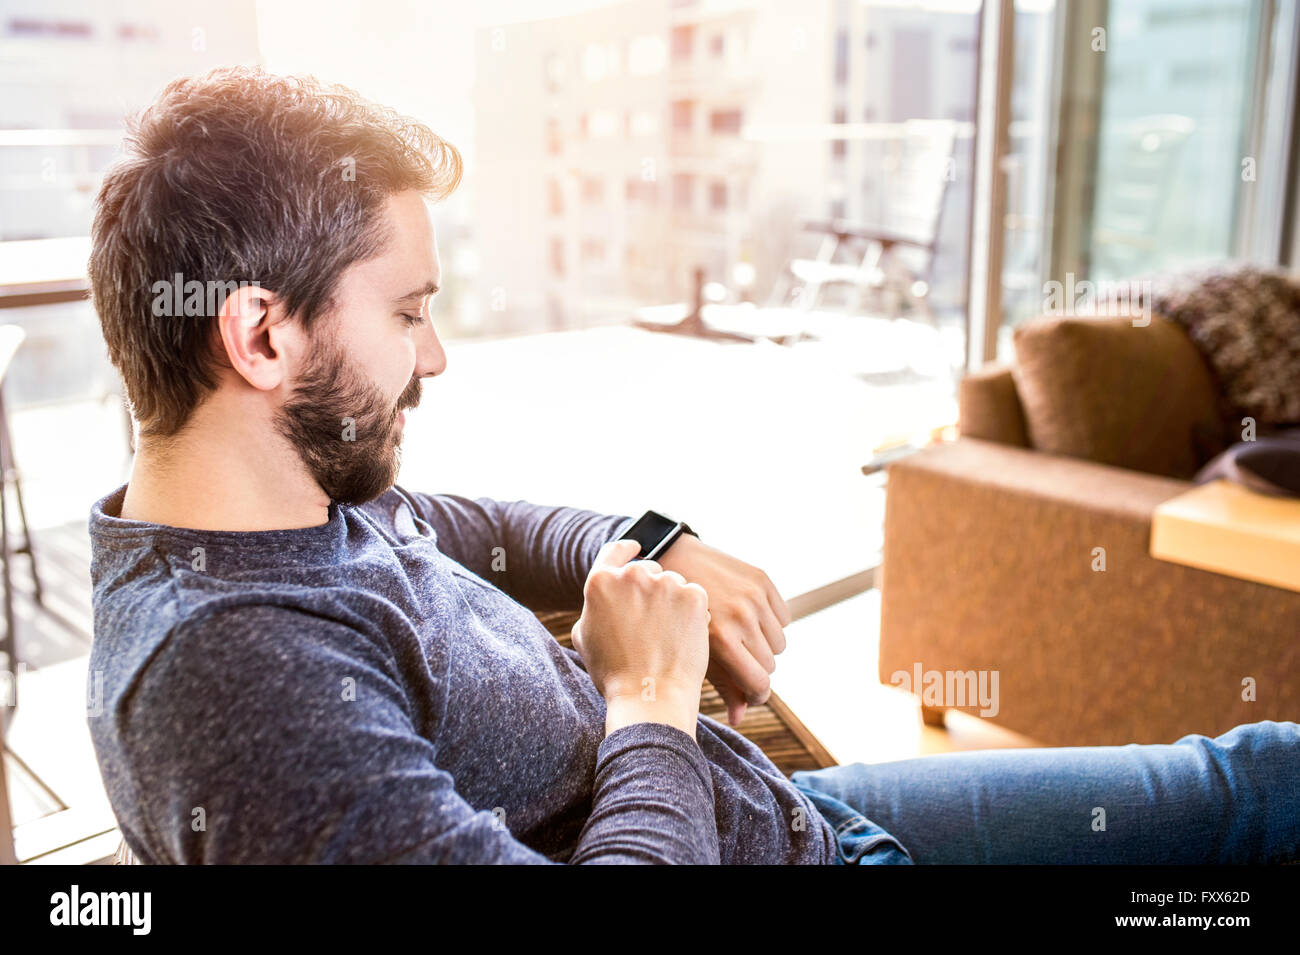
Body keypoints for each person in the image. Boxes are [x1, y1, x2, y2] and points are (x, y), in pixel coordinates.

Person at [86, 67, 1299, 865]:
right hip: (770, 834)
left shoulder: (302, 507)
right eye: (407, 314)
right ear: (259, 333)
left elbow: (497, 530)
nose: (438, 355)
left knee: (1252, 779)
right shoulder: (239, 674)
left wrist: (658, 540)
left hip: (786, 814)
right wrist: (651, 698)